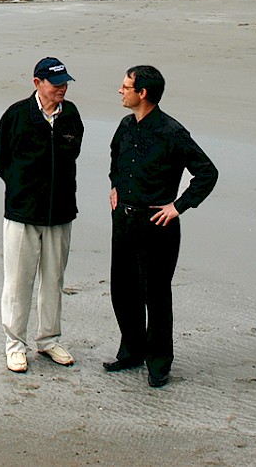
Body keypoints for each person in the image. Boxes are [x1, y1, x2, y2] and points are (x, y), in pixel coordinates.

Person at [104, 65, 218, 387]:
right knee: (122, 291)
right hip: (123, 221)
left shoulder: (172, 133)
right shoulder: (126, 126)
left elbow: (207, 173)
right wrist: (114, 185)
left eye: (126, 87)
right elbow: (116, 158)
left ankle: (158, 363)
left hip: (157, 225)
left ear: (143, 94)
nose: (120, 91)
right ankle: (131, 352)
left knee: (155, 296)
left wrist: (178, 206)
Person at [0, 56, 84, 372]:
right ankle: (15, 345)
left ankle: (49, 340)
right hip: (22, 214)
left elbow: (73, 153)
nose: (62, 89)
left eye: (64, 84)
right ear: (37, 84)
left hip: (60, 212)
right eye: (56, 84)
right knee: (18, 282)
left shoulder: (70, 116)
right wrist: (20, 188)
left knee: (53, 279)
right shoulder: (18, 115)